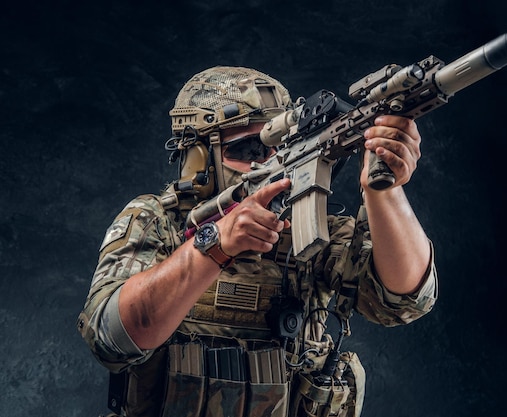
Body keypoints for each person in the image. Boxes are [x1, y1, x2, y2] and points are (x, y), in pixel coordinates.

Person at [77, 66, 438, 417]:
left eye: (277, 147)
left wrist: (384, 188)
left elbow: (402, 301)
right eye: (248, 150)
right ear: (198, 159)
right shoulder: (158, 221)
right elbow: (111, 337)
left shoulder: (307, 228)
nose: (266, 162)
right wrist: (215, 244)